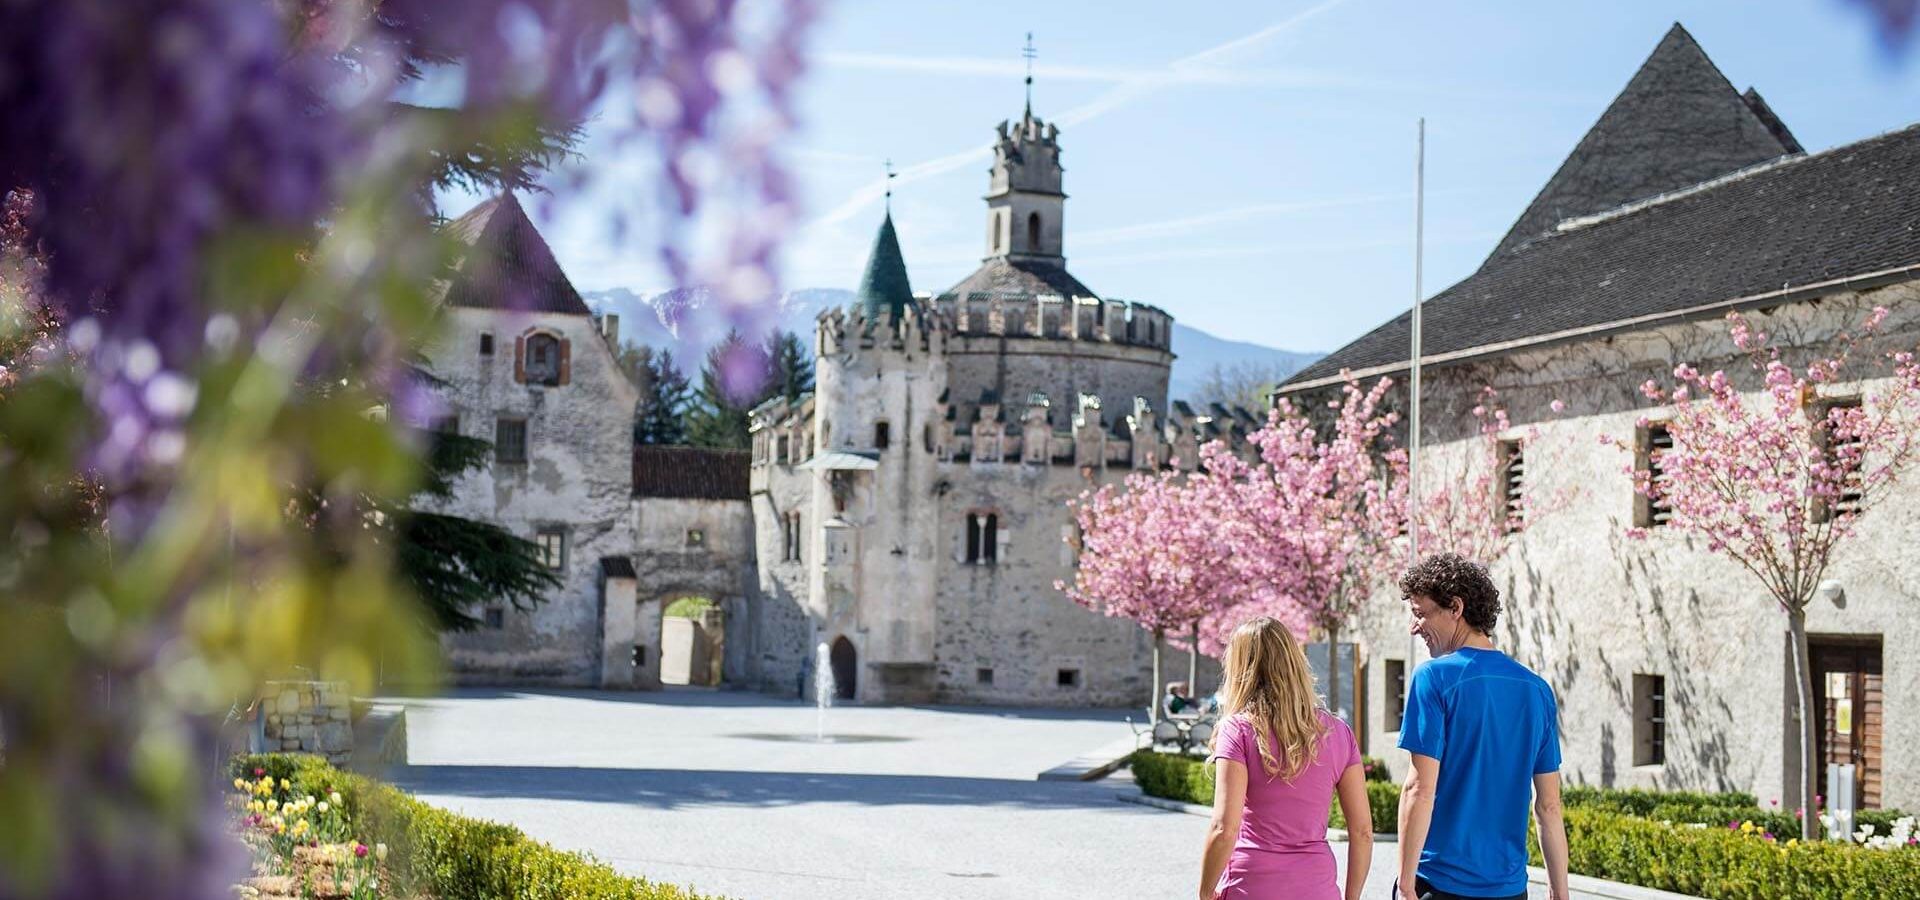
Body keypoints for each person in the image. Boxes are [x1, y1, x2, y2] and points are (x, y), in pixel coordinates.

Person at [1395, 553, 1570, 900]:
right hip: (1509, 890)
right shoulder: (1537, 690)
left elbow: (1419, 789)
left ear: (1455, 608)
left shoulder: (1433, 678)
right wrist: (1559, 892)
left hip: (1440, 883)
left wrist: (1405, 883)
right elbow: (1549, 805)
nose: (1415, 627)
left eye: (1421, 614)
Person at [1198, 616, 1372, 900]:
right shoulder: (1338, 732)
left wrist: (1205, 892)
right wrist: (1352, 897)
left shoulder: (1238, 730)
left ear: (1240, 668)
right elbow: (1363, 831)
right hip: (1317, 887)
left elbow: (1223, 828)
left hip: (1251, 886)